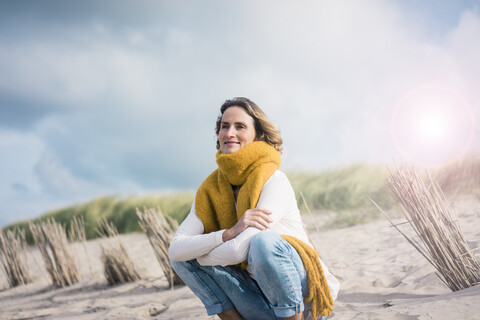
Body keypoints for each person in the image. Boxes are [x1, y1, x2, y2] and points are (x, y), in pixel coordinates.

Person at [169, 97, 340, 320]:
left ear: (258, 135)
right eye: (224, 126)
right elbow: (175, 251)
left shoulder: (274, 179)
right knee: (183, 258)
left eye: (240, 126)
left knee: (262, 243)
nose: (229, 133)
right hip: (257, 296)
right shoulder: (210, 190)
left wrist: (203, 254)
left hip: (304, 301)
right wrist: (229, 233)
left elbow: (237, 251)